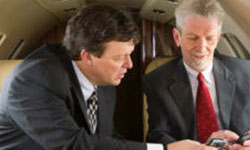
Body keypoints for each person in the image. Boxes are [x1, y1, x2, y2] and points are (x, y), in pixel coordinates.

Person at [0, 4, 217, 150]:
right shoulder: (35, 80)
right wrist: (164, 149)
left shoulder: (103, 81)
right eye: (120, 57)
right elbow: (74, 145)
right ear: (88, 56)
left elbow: (108, 141)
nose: (129, 65)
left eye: (130, 55)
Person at [143, 0, 250, 149]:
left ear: (218, 38)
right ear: (177, 37)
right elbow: (157, 136)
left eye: (209, 38)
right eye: (193, 38)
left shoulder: (249, 74)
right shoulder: (157, 81)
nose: (202, 47)